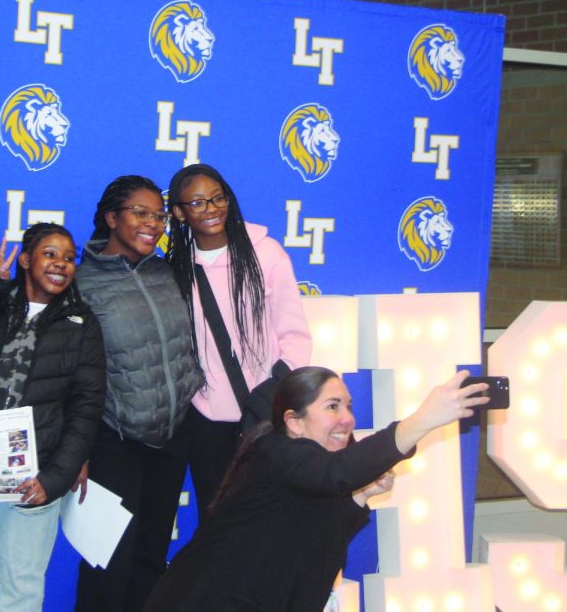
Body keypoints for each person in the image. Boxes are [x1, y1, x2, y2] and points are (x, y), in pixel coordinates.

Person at [144, 366, 490, 612]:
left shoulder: (309, 468)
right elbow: (336, 475)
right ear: (294, 422)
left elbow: (319, 531)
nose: (347, 419)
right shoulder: (277, 453)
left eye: (348, 406)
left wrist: (361, 496)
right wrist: (421, 421)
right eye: (332, 407)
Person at [0, 222, 106, 612]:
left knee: (22, 587)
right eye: (50, 254)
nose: (61, 264)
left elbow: (86, 409)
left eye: (69, 258)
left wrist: (55, 478)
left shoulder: (83, 324)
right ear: (27, 259)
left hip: (38, 475)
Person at [73, 175, 203, 612]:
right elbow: (71, 370)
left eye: (160, 215)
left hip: (171, 438)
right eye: (141, 213)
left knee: (151, 558)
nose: (154, 223)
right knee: (107, 561)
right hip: (115, 442)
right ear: (111, 218)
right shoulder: (82, 282)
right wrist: (77, 449)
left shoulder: (167, 271)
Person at [165, 163, 312, 517]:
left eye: (218, 198)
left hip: (265, 412)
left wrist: (276, 391)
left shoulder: (266, 253)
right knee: (217, 521)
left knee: (271, 518)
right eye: (197, 203)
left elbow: (294, 332)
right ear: (179, 213)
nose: (211, 209)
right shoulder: (175, 267)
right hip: (206, 421)